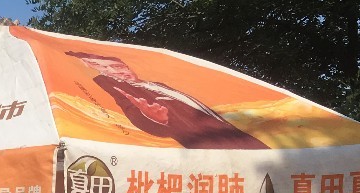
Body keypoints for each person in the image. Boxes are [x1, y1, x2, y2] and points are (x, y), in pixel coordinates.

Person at [66, 50, 269, 150]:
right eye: (107, 69)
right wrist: (159, 120)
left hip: (222, 127)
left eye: (117, 65)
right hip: (203, 139)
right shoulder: (123, 91)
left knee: (258, 152)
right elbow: (133, 112)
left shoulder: (156, 83)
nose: (118, 71)